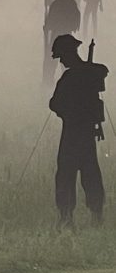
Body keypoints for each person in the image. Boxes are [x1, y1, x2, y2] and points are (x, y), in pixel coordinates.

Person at [49, 34, 107, 227]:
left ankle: (66, 217)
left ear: (69, 53)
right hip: (87, 133)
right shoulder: (90, 73)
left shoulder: (70, 77)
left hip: (72, 132)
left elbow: (55, 104)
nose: (62, 61)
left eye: (62, 56)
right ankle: (96, 214)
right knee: (90, 172)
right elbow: (102, 72)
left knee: (65, 174)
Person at [43, 0, 81, 85]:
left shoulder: (56, 5)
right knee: (67, 61)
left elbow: (50, 24)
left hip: (57, 37)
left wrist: (46, 28)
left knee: (53, 61)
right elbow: (77, 18)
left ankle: (48, 82)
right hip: (68, 36)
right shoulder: (71, 2)